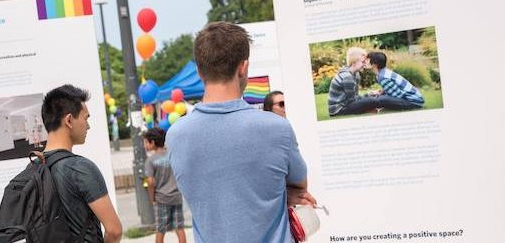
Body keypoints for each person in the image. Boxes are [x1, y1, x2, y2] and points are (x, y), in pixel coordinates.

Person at [167, 21, 316, 243]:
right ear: (243, 67)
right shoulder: (276, 128)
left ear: (199, 70)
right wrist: (280, 194)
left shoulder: (176, 135)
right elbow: (300, 188)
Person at [41, 84, 122, 243]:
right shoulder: (80, 168)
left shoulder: (36, 167)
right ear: (69, 120)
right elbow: (114, 230)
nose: (88, 126)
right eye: (86, 118)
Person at [143, 128, 186, 243]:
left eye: (146, 142)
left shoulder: (150, 160)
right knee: (179, 227)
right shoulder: (172, 155)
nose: (145, 145)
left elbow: (150, 182)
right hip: (177, 197)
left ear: (152, 142)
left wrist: (152, 198)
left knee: (161, 229)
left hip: (162, 198)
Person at [327, 47, 381, 116]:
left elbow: (355, 97)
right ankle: (371, 108)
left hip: (346, 104)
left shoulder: (356, 74)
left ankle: (371, 108)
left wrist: (370, 94)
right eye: (362, 62)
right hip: (338, 110)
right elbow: (353, 101)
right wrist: (369, 96)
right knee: (372, 100)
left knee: (373, 99)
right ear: (353, 63)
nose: (364, 65)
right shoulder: (347, 76)